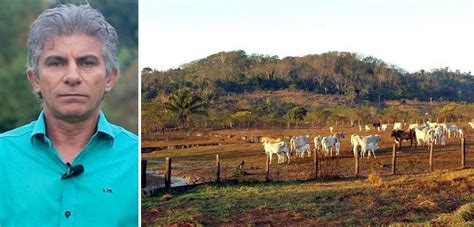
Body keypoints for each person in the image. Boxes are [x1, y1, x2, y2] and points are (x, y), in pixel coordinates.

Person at [0, 4, 138, 226]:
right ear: (34, 78)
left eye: (87, 62)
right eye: (56, 63)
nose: (72, 76)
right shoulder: (3, 157)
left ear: (110, 78)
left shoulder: (135, 159)